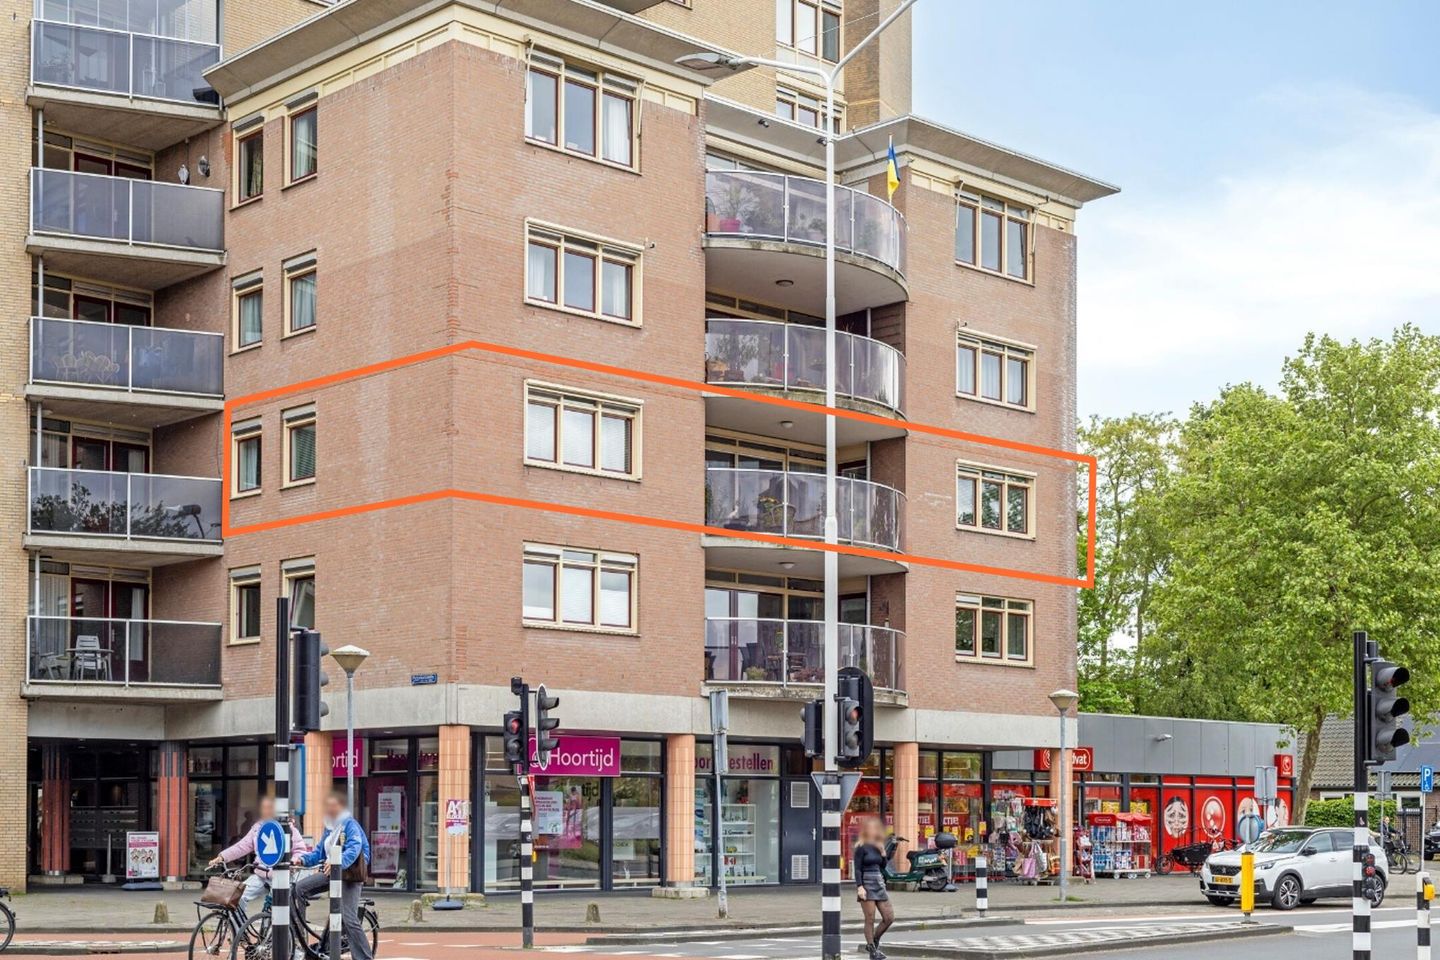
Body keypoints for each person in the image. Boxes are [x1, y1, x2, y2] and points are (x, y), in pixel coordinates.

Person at [294, 792, 373, 960]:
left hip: (350, 874)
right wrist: (302, 860)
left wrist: (338, 862)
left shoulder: (350, 824)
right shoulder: (329, 828)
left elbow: (354, 848)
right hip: (332, 872)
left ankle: (364, 957)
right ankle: (301, 937)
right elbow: (319, 853)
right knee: (299, 889)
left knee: (348, 917)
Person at [208, 796, 309, 915]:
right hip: (261, 874)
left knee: (279, 910)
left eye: (269, 808)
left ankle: (279, 925)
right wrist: (222, 857)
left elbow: (300, 850)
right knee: (237, 896)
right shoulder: (258, 828)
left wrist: (293, 862)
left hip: (280, 875)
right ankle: (240, 926)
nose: (266, 811)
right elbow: (242, 846)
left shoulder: (287, 828)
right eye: (263, 808)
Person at [852, 816, 894, 960]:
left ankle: (873, 942)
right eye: (870, 828)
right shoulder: (861, 847)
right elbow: (857, 868)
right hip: (866, 883)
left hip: (878, 881)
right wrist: (860, 887)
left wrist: (883, 853)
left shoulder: (878, 845)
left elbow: (883, 866)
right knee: (870, 918)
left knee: (889, 917)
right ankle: (872, 951)